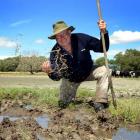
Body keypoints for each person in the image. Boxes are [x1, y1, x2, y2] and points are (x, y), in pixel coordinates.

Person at [42, 20, 110, 112]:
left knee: (105, 70)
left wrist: (104, 32)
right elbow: (57, 77)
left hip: (88, 71)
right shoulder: (55, 52)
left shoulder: (82, 38)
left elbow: (103, 48)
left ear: (69, 33)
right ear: (56, 38)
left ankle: (100, 102)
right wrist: (49, 72)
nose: (61, 38)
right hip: (71, 79)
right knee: (63, 105)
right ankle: (66, 100)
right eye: (58, 36)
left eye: (63, 34)